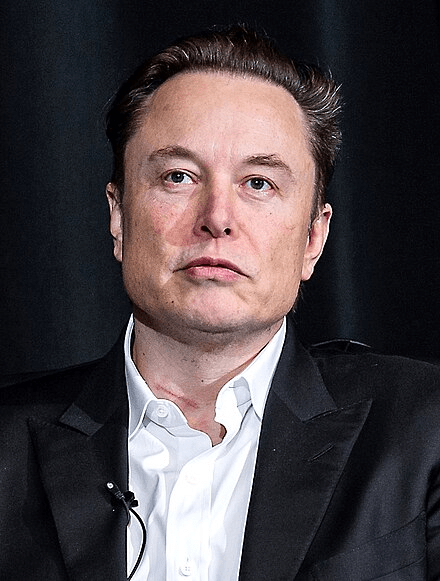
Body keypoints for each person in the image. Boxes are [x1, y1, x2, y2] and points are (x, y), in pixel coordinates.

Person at [1, 24, 440, 581]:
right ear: (118, 217)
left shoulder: (425, 430)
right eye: (178, 176)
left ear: (313, 238)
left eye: (258, 183)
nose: (217, 218)